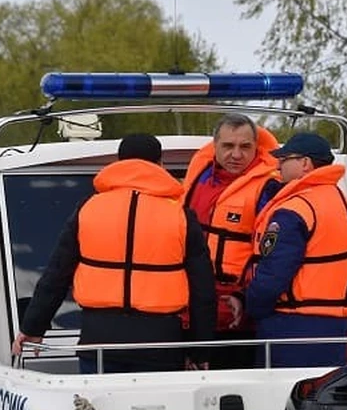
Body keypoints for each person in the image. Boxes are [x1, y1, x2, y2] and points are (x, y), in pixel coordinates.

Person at [12, 133, 216, 373]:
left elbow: (56, 275)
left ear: (118, 163)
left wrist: (33, 328)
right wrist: (200, 350)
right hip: (161, 344)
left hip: (98, 341)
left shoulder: (88, 208)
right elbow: (203, 290)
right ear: (160, 165)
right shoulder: (181, 216)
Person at [237, 132, 347, 368]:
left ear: (305, 163)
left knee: (280, 399)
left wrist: (252, 308)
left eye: (284, 159)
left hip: (292, 328)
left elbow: (273, 273)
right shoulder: (340, 201)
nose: (278, 165)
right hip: (334, 328)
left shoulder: (295, 209)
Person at [181, 113, 282, 368]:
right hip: (191, 311)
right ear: (215, 147)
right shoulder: (199, 177)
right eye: (228, 146)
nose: (236, 154)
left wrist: (245, 298)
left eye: (245, 147)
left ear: (256, 148)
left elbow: (272, 256)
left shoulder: (269, 188)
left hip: (239, 317)